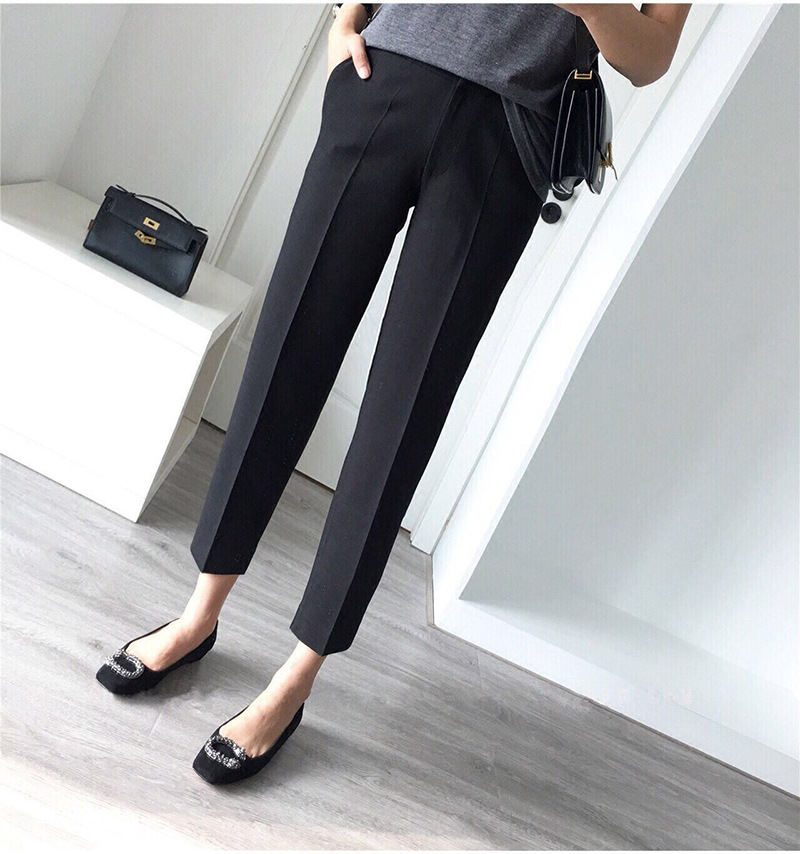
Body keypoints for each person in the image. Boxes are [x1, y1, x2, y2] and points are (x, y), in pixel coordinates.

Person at [97, 3, 691, 785]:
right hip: (385, 76)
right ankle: (198, 614)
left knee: (405, 406)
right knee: (286, 353)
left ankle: (298, 675)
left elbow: (651, 54)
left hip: (504, 132)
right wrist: (347, 18)